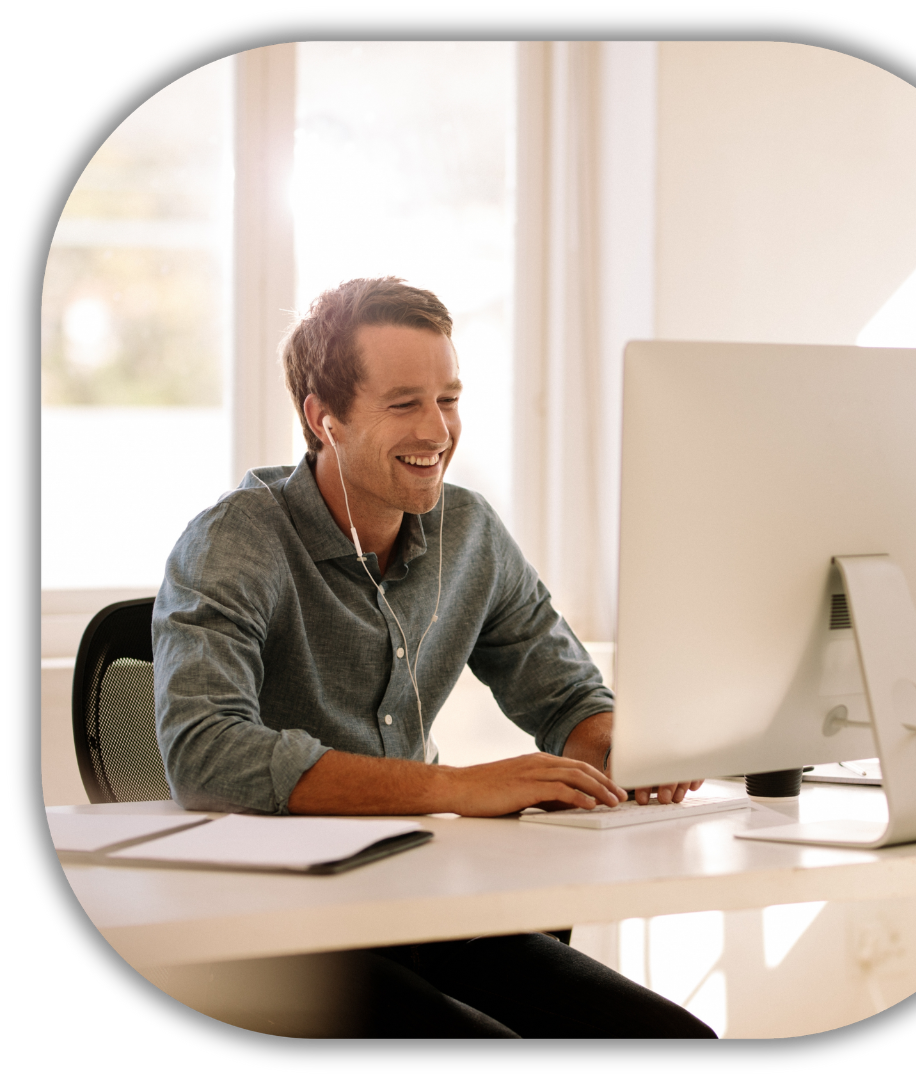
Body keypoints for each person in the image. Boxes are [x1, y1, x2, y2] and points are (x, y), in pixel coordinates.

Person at [153, 276, 714, 1038]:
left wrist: (627, 748)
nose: (438, 430)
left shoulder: (471, 532)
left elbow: (567, 698)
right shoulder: (234, 541)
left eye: (448, 399)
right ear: (326, 420)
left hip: (421, 896)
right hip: (274, 928)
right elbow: (206, 754)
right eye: (404, 403)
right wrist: (455, 786)